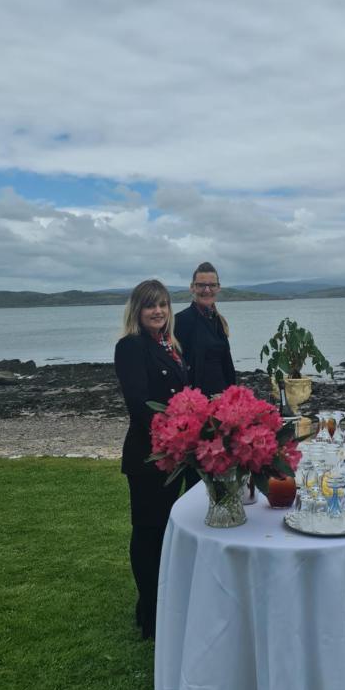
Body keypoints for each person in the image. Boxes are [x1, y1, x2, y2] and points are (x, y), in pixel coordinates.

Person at [114, 278, 197, 640]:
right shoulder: (131, 346)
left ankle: (161, 601)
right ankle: (149, 611)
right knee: (147, 531)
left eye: (163, 304)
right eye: (150, 305)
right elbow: (140, 404)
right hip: (148, 456)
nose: (158, 311)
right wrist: (176, 435)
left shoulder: (171, 346)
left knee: (164, 530)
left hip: (173, 455)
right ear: (137, 310)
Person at [174, 261, 236, 396]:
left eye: (212, 285)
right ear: (192, 287)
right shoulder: (180, 321)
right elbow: (176, 366)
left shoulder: (218, 320)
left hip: (223, 400)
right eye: (201, 285)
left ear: (218, 288)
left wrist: (233, 395)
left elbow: (226, 364)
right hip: (197, 402)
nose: (207, 290)